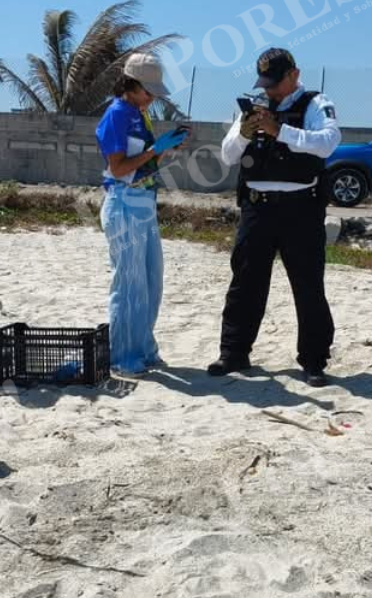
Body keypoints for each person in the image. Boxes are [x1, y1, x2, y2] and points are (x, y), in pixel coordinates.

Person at [208, 48, 341, 387]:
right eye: (265, 84)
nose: (269, 91)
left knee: (308, 285)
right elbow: (227, 155)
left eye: (275, 83)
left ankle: (313, 360)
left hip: (301, 209)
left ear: (294, 75)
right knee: (245, 282)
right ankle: (233, 352)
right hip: (257, 208)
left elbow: (328, 142)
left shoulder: (315, 104)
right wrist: (244, 133)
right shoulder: (254, 107)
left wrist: (280, 130)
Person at [94, 52, 188, 376]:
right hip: (124, 203)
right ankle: (122, 355)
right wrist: (154, 150)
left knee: (150, 280)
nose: (152, 98)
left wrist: (166, 148)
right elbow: (119, 168)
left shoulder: (139, 114)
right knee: (129, 283)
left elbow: (146, 166)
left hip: (144, 201)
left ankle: (145, 348)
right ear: (130, 84)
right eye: (148, 91)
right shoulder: (116, 115)